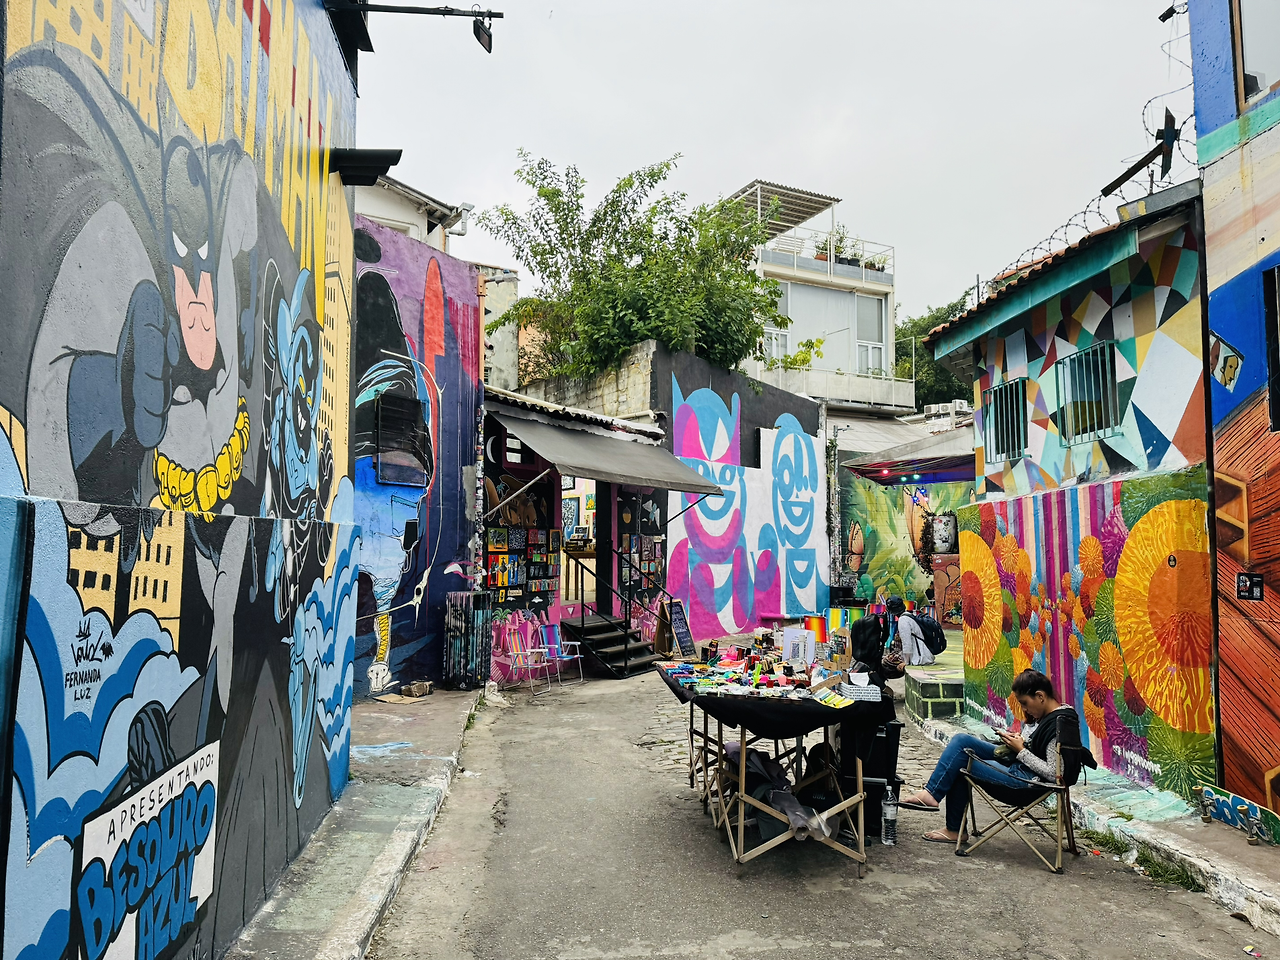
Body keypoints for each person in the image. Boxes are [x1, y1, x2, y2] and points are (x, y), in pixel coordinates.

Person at [898, 669, 1089, 843]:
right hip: (1019, 765)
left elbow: (1055, 774)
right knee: (961, 741)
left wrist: (1021, 751)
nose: (1024, 709)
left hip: (1025, 782)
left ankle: (953, 827)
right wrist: (1018, 741)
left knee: (961, 761)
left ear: (1040, 696)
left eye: (1025, 703)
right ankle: (932, 794)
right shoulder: (1047, 716)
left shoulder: (1058, 725)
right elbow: (1035, 746)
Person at [887, 596, 934, 666]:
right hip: (925, 654)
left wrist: (905, 662)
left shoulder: (903, 620)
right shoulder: (909, 615)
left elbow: (907, 644)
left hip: (919, 658)